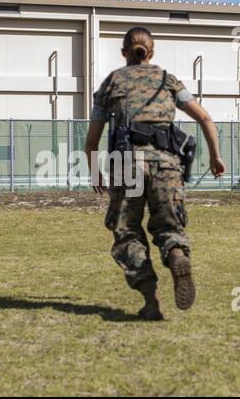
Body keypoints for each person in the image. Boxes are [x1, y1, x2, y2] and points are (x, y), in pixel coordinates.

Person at [85, 26, 226, 321]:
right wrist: (216, 156)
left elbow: (93, 138)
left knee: (127, 233)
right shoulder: (167, 80)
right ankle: (176, 255)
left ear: (124, 52)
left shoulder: (112, 82)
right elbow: (204, 117)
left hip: (126, 165)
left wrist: (94, 170)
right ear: (152, 51)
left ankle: (151, 300)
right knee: (169, 228)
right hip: (166, 165)